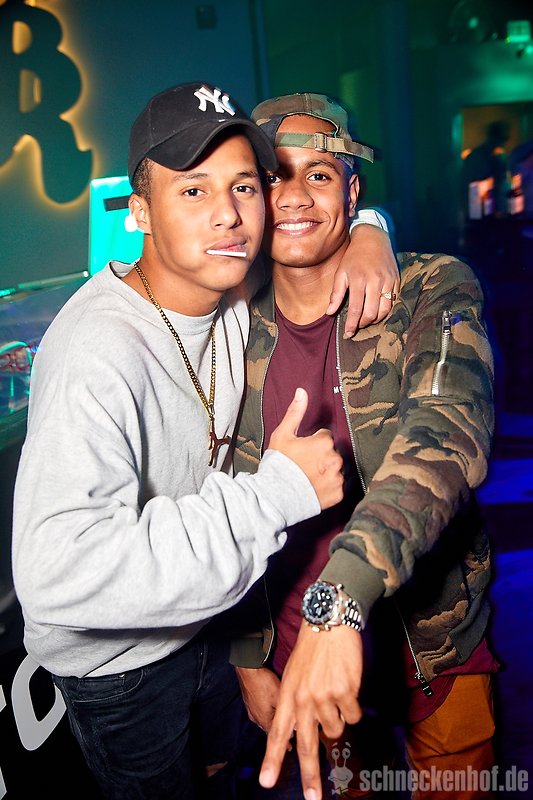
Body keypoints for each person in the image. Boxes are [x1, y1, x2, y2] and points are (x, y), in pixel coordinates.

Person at [10, 81, 398, 800]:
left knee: (225, 775)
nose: (227, 214)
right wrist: (278, 492)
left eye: (243, 187)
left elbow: (316, 220)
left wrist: (372, 227)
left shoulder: (228, 287)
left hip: (205, 620)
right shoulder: (96, 352)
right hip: (120, 663)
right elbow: (59, 575)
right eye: (192, 191)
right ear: (140, 212)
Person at [229, 92, 498, 800]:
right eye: (272, 177)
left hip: (433, 644)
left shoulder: (431, 287)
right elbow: (214, 492)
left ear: (352, 194)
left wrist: (339, 602)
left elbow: (446, 436)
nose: (294, 196)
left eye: (318, 175)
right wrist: (247, 657)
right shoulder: (226, 325)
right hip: (301, 660)